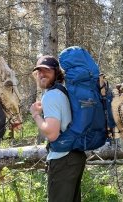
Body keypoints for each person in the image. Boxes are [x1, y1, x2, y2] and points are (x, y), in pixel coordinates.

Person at [29, 55, 86, 202]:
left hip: (62, 159)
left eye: (46, 70)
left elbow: (52, 133)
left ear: (56, 72)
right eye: (39, 71)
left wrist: (35, 115)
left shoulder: (51, 95)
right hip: (75, 156)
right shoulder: (63, 91)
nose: (42, 74)